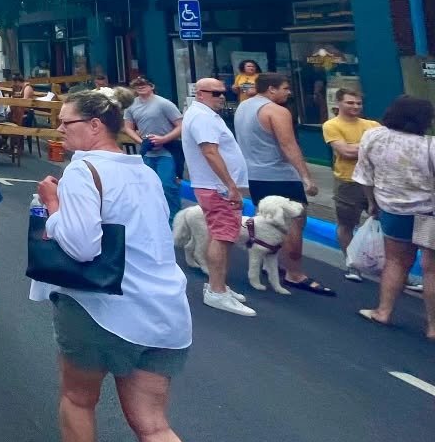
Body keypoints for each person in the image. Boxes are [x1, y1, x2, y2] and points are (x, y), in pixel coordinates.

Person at [32, 88, 219, 442]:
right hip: (163, 311)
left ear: (95, 125)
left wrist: (52, 206)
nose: (59, 129)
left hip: (102, 309)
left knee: (79, 399)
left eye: (66, 122)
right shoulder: (143, 171)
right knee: (154, 426)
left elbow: (80, 245)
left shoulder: (82, 170)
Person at [234, 73, 330, 295]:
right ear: (271, 89)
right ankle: (294, 273)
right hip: (280, 175)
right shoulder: (277, 111)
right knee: (293, 223)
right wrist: (306, 177)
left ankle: (268, 264)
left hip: (255, 175)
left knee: (266, 222)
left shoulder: (244, 107)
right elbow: (288, 145)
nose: (289, 92)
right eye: (285, 88)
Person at [353, 96, 435, 339]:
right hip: (428, 214)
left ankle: (383, 311)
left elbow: (364, 176)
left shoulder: (373, 136)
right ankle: (433, 326)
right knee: (431, 269)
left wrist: (372, 202)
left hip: (392, 209)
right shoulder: (430, 146)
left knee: (396, 261)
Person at [181, 78, 256, 316]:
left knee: (223, 236)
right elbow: (210, 152)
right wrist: (230, 185)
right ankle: (216, 291)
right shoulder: (202, 117)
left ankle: (219, 285)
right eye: (215, 93)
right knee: (222, 237)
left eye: (223, 93)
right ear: (200, 94)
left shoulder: (204, 115)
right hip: (217, 188)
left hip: (215, 186)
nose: (221, 97)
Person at [322, 88, 379, 280]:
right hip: (348, 182)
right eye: (350, 102)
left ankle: (387, 267)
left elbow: (383, 148)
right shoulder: (331, 125)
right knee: (347, 224)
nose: (355, 106)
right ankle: (352, 264)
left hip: (375, 182)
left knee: (385, 226)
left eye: (358, 103)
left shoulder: (372, 124)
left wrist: (355, 146)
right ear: (338, 104)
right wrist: (368, 145)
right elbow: (345, 152)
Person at [125, 77, 184, 225]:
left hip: (167, 150)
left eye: (144, 84)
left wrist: (164, 139)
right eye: (137, 85)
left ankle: (174, 221)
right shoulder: (131, 106)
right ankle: (154, 220)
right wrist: (142, 142)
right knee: (146, 187)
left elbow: (181, 125)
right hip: (147, 151)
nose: (141, 87)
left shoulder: (164, 103)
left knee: (167, 185)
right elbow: (127, 127)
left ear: (152, 86)